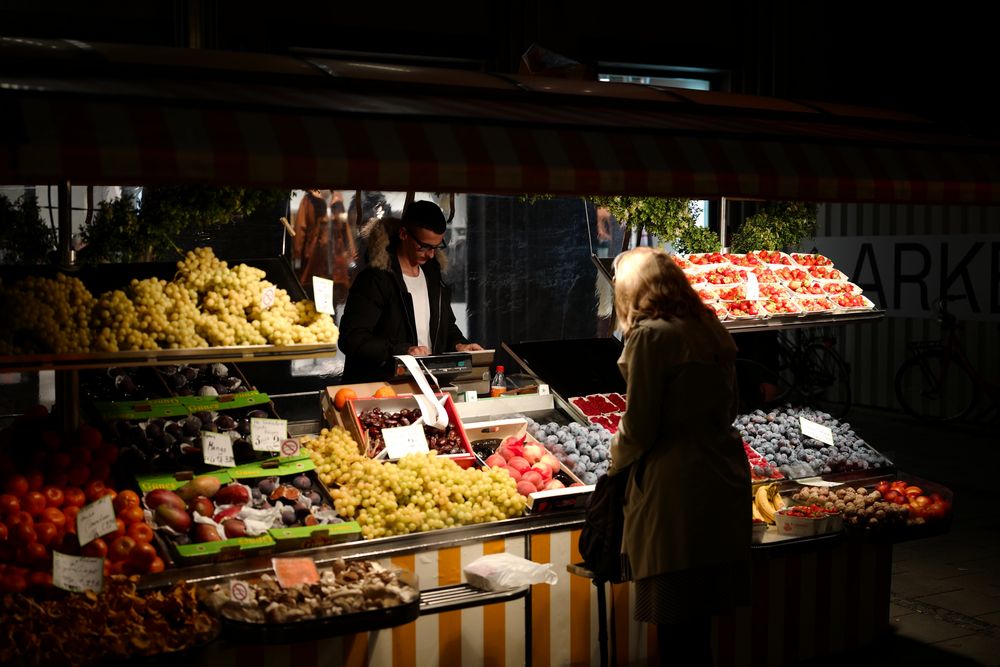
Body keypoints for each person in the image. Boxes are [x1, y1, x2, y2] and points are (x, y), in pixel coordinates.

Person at [607, 247, 750, 666]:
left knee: (673, 627)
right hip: (721, 477)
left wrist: (615, 465)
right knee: (699, 626)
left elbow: (639, 427)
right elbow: (731, 409)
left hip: (675, 492)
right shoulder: (707, 326)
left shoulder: (652, 335)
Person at [338, 200, 482, 382]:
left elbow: (445, 325)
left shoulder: (432, 275)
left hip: (428, 384)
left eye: (437, 247)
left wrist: (459, 344)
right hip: (384, 388)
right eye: (424, 247)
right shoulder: (375, 279)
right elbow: (351, 339)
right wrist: (403, 351)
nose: (430, 254)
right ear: (403, 234)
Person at [292, 189, 330, 290]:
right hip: (320, 250)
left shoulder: (307, 200)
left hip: (308, 249)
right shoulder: (322, 201)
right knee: (318, 283)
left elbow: (300, 227)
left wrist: (297, 252)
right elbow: (325, 229)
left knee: (304, 283)